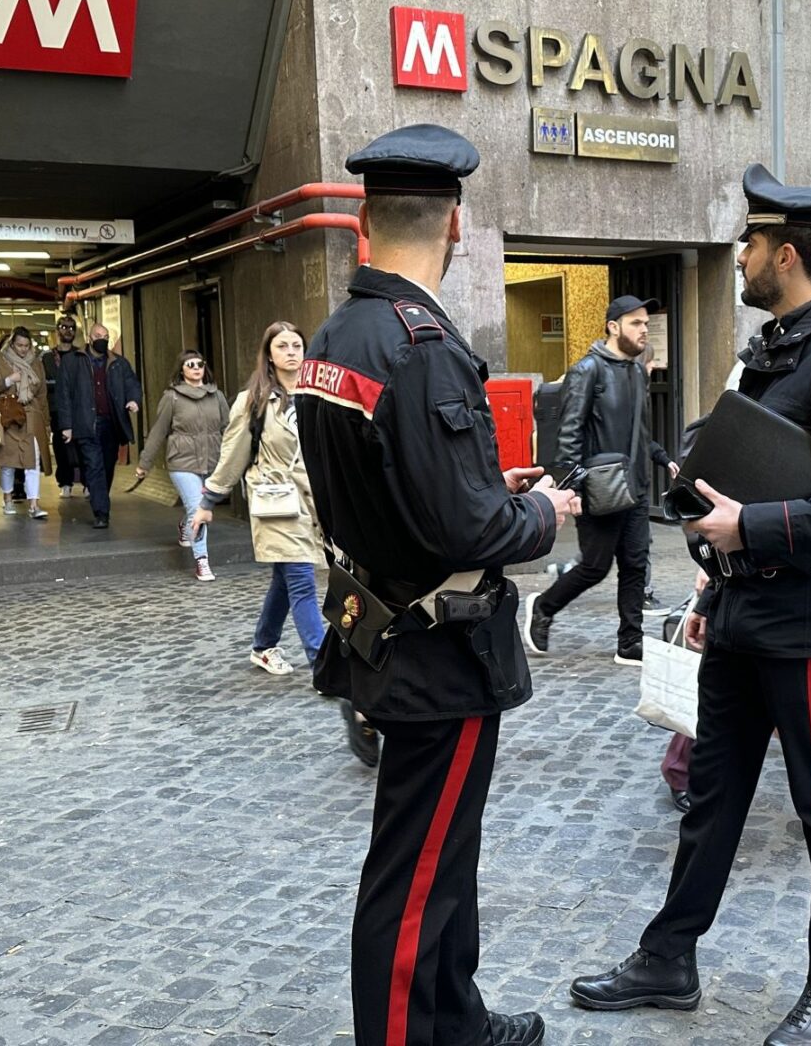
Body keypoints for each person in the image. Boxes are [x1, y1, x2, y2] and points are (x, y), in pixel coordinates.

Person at [569, 164, 811, 1046]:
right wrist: (709, 574)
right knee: (712, 796)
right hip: (741, 615)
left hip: (808, 630)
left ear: (788, 254)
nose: (742, 258)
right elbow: (743, 467)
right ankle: (670, 959)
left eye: (752, 244)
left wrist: (750, 526)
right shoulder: (779, 344)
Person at [296, 124, 581, 1046]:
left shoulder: (338, 336)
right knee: (413, 877)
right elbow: (473, 530)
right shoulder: (420, 344)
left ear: (364, 226)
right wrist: (547, 515)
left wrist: (472, 489)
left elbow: (386, 484)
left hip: (384, 618)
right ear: (454, 225)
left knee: (443, 855)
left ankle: (456, 1021)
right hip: (438, 650)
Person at [524, 295, 679, 667]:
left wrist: (663, 458)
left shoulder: (637, 372)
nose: (644, 329)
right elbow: (569, 433)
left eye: (645, 323)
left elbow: (639, 431)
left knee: (635, 564)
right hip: (600, 487)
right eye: (636, 323)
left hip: (636, 486)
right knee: (594, 566)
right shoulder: (587, 371)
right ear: (613, 327)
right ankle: (543, 607)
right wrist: (570, 487)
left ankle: (630, 642)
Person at [192, 324, 326, 671]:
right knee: (300, 577)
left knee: (285, 579)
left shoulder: (317, 395)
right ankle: (324, 663)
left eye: (297, 345)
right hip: (277, 500)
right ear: (269, 354)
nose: (292, 352)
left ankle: (263, 645)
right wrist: (207, 503)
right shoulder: (253, 401)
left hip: (313, 500)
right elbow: (233, 453)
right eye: (282, 346)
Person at [135, 349, 230, 582]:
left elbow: (229, 429)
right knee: (198, 508)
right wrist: (144, 463)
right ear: (182, 370)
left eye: (200, 363)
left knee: (196, 510)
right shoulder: (172, 397)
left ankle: (184, 525)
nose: (196, 368)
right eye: (190, 364)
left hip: (211, 461)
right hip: (182, 462)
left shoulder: (216, 396)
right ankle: (202, 560)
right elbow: (158, 431)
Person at [56, 322, 142, 529]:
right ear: (89, 337)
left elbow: (132, 383)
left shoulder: (118, 363)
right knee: (94, 466)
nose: (102, 339)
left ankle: (100, 497)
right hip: (86, 423)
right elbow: (64, 394)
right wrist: (66, 425)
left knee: (107, 465)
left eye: (105, 336)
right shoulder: (71, 362)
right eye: (98, 335)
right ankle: (101, 512)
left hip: (111, 424)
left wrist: (133, 400)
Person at [0, 327, 54, 521]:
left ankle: (34, 503)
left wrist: (47, 423)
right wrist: (9, 380)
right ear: (12, 344)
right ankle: (7, 499)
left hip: (32, 415)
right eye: (19, 345)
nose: (23, 350)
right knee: (8, 461)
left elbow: (42, 395)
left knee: (33, 460)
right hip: (9, 415)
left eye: (26, 346)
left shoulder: (37, 363)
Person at [43, 314, 84, 498]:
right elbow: (43, 383)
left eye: (71, 328)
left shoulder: (81, 355)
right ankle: (65, 482)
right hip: (57, 409)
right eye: (64, 327)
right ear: (57, 330)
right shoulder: (48, 358)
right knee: (60, 447)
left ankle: (86, 482)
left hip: (79, 408)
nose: (67, 331)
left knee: (82, 445)